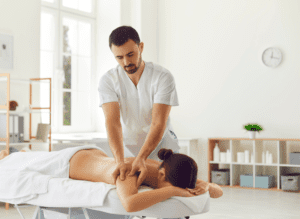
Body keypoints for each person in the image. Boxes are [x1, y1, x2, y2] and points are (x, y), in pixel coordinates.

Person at [0, 147, 223, 213]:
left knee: (25, 158)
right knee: (18, 163)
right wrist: (173, 192)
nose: (176, 190)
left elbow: (218, 192)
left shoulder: (167, 167)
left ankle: (16, 153)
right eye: (172, 185)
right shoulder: (130, 172)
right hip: (66, 164)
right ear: (163, 175)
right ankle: (11, 154)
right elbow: (129, 204)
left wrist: (205, 185)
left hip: (89, 155)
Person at [98, 26, 182, 190]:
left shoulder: (162, 77)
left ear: (141, 47)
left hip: (162, 144)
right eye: (119, 57)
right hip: (128, 148)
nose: (126, 62)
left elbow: (158, 122)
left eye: (130, 54)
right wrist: (119, 161)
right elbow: (112, 123)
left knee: (170, 189)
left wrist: (142, 158)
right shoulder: (108, 81)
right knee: (130, 192)